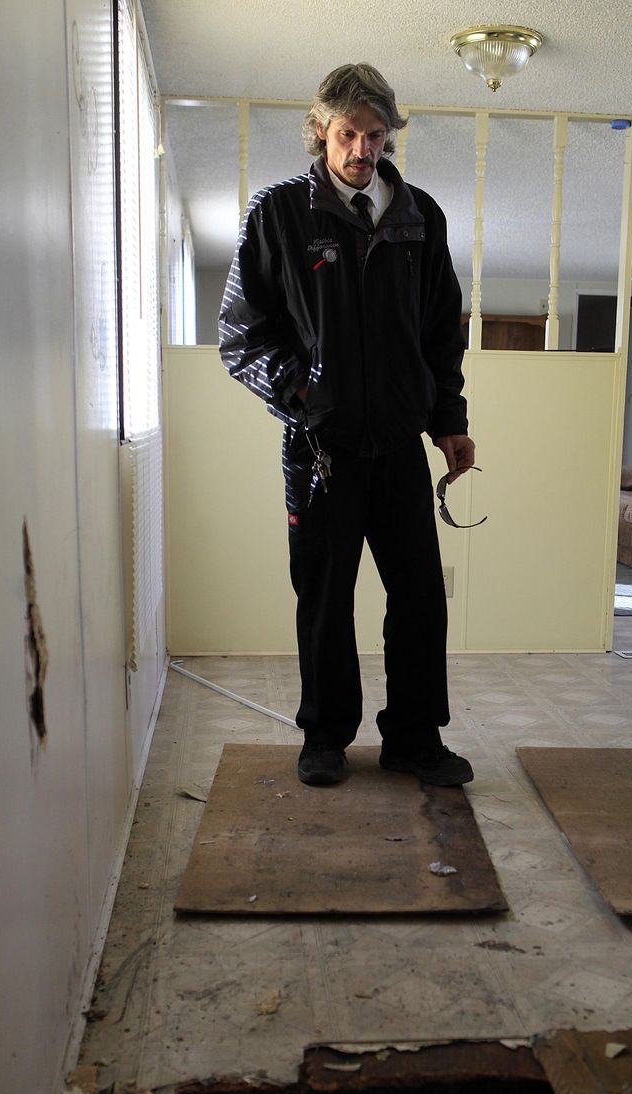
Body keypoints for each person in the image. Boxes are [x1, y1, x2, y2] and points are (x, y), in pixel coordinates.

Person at [219, 63, 475, 789]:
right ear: (321, 132)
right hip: (320, 450)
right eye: (348, 134)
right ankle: (326, 736)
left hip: (398, 447)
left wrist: (448, 423)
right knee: (326, 599)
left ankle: (415, 739)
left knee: (420, 595)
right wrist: (303, 394)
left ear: (390, 135)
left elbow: (439, 334)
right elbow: (240, 335)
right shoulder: (279, 215)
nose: (363, 149)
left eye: (375, 134)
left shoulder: (420, 215)